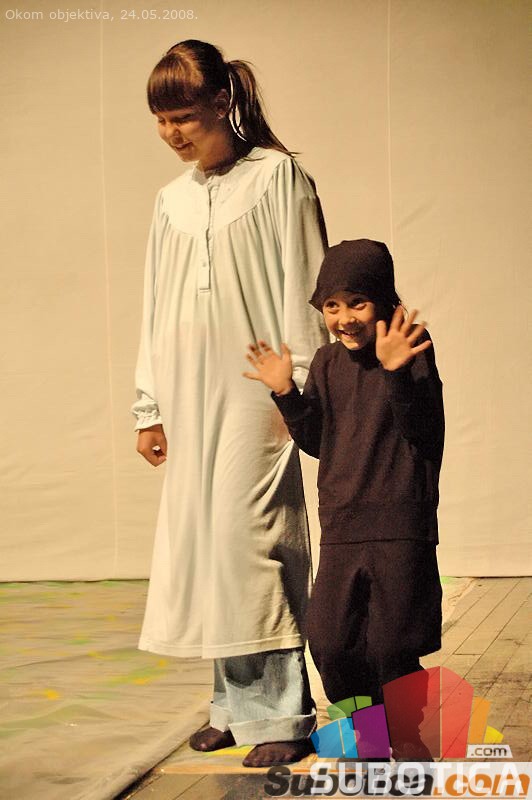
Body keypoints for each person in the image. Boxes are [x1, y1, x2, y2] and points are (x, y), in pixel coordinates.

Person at [131, 39, 329, 767]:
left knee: (253, 545)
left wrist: (298, 390)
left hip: (257, 393)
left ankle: (281, 712)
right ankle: (232, 706)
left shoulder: (278, 178)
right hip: (188, 392)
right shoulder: (171, 200)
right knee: (209, 545)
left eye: (183, 116)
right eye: (161, 121)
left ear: (223, 102)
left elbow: (306, 284)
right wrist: (148, 405)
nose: (172, 134)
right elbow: (155, 307)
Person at [244, 239, 444, 758]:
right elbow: (318, 441)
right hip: (343, 523)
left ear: (383, 300)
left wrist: (396, 373)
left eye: (357, 303)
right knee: (332, 642)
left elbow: (423, 429)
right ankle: (368, 740)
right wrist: (286, 393)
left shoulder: (411, 346)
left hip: (399, 522)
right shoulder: (328, 362)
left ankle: (412, 744)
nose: (344, 318)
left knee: (394, 645)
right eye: (332, 306)